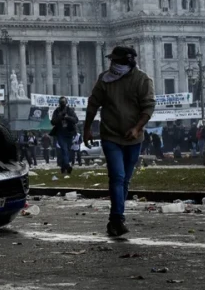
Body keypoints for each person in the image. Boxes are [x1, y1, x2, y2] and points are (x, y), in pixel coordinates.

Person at [83, 46, 155, 237]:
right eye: (112, 61)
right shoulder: (105, 79)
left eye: (117, 61)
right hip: (111, 135)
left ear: (128, 61)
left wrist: (137, 128)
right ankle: (117, 218)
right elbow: (93, 104)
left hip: (134, 138)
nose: (113, 64)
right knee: (117, 176)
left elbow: (148, 107)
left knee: (125, 180)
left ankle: (115, 218)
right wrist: (87, 128)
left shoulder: (142, 80)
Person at [51, 96, 78, 175]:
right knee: (64, 149)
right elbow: (53, 122)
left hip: (69, 133)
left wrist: (67, 117)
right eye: (61, 102)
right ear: (59, 103)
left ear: (66, 103)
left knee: (66, 151)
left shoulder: (70, 110)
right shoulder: (57, 111)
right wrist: (60, 116)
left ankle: (63, 167)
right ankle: (67, 165)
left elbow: (76, 120)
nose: (62, 104)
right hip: (60, 133)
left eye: (63, 102)